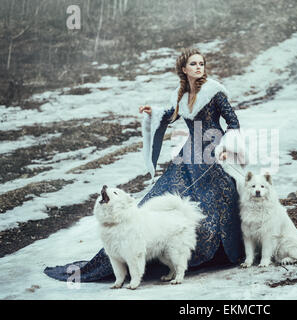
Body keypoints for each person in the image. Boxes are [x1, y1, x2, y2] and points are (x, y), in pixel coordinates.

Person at [44, 48, 246, 282]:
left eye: (201, 63)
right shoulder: (180, 94)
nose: (199, 67)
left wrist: (226, 148)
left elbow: (233, 122)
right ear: (184, 69)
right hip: (190, 152)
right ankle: (141, 248)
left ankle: (220, 254)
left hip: (214, 149)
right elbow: (172, 115)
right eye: (194, 64)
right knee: (162, 194)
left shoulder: (215, 92)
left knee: (214, 200)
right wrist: (154, 113)